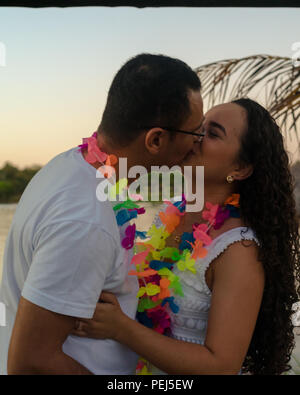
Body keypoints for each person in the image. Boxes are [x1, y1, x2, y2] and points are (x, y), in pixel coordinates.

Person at [0, 53, 204, 375]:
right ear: (156, 139)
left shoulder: (72, 166)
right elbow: (31, 363)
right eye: (196, 134)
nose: (198, 146)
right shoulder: (85, 221)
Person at [71, 98, 300, 375]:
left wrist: (121, 328)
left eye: (212, 134)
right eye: (199, 128)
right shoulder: (171, 217)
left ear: (240, 168)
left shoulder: (239, 247)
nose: (195, 138)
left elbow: (222, 365)